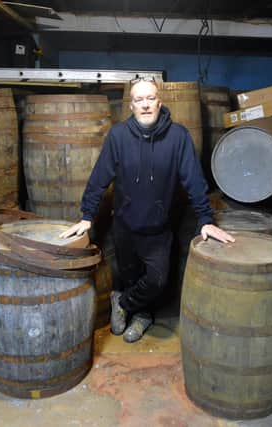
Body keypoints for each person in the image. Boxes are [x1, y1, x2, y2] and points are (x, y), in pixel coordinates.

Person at [60, 78, 234, 343]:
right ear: (131, 105)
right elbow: (99, 178)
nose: (145, 105)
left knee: (156, 280)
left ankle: (124, 304)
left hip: (158, 228)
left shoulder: (178, 136)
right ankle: (141, 315)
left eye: (150, 98)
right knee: (130, 276)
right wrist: (87, 215)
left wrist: (206, 220)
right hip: (125, 225)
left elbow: (194, 181)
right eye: (139, 100)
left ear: (159, 102)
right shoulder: (118, 135)